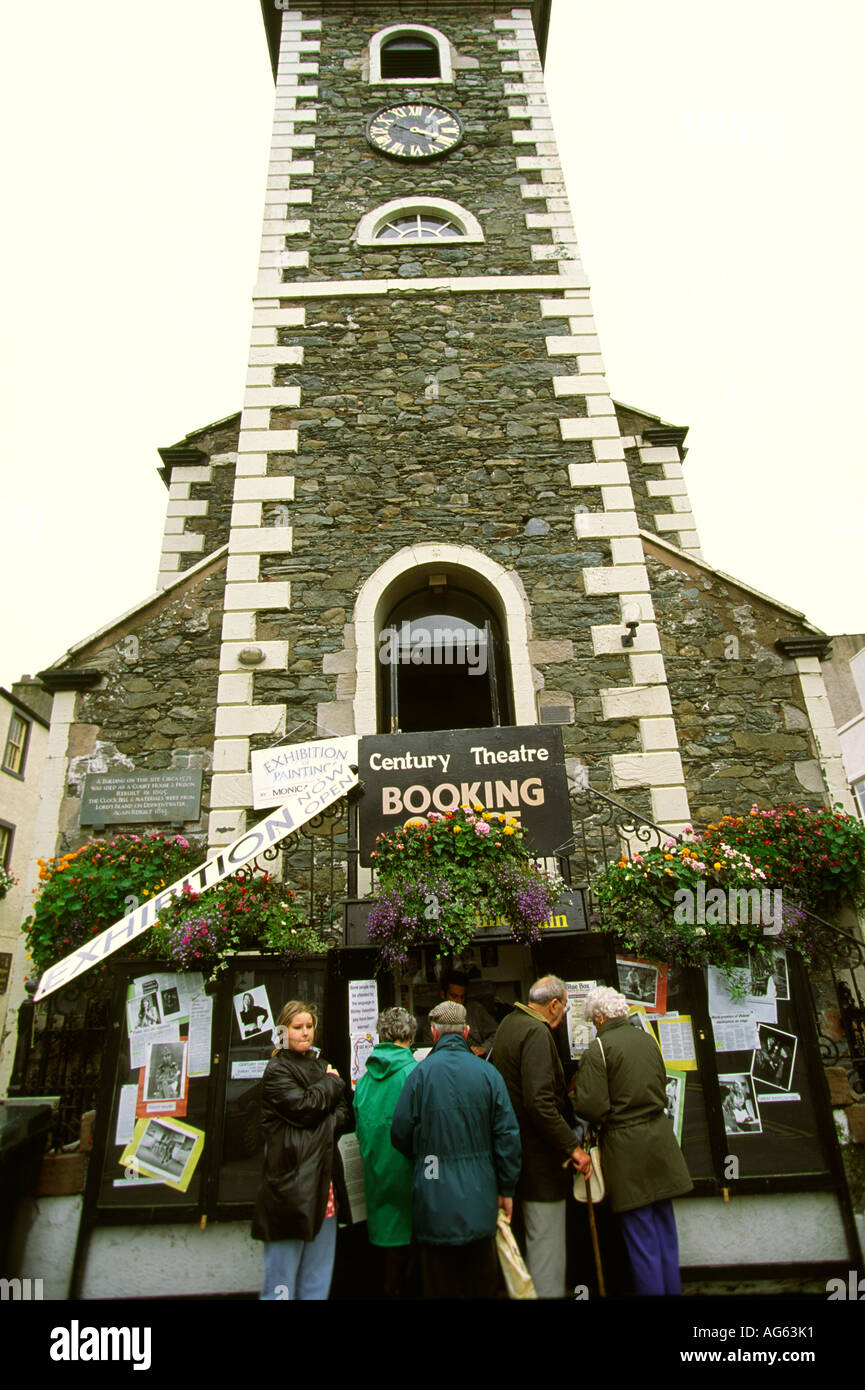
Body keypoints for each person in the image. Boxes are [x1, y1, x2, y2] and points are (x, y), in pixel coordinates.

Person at [391, 1000, 521, 1299]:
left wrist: (427, 1158)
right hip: (481, 1201)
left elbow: (400, 1132)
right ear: (465, 1031)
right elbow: (508, 1136)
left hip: (433, 1201)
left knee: (439, 1286)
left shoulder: (419, 1076)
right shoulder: (488, 1074)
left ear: (434, 1034)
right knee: (480, 1285)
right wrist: (507, 1188)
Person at [572, 986, 693, 1296]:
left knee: (641, 1238)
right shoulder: (646, 1039)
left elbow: (592, 1106)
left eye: (592, 1020)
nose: (593, 1025)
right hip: (660, 1140)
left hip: (627, 1147)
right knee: (665, 1230)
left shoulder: (599, 1049)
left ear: (599, 1017)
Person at [490, 974, 592, 1298]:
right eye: (562, 1011)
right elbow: (540, 1103)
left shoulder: (509, 1023)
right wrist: (573, 1148)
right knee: (546, 1249)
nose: (561, 1020)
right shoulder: (536, 1031)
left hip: (515, 1158)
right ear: (553, 1005)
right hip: (540, 1163)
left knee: (529, 1247)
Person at [252, 1000, 350, 1300]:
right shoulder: (276, 1071)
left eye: (309, 1027)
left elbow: (343, 1112)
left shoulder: (320, 1065)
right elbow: (306, 1108)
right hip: (290, 1193)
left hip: (325, 1190)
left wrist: (319, 1120)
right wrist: (332, 1083)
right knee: (280, 1287)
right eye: (298, 1028)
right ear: (284, 1031)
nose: (305, 1033)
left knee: (317, 1283)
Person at [354, 1006, 418, 1298]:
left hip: (377, 1178)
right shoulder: (414, 1073)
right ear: (410, 1034)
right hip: (412, 1183)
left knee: (388, 1263)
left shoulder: (364, 1080)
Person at [419, 970, 498, 1057]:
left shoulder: (476, 1010)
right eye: (454, 996)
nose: (459, 1001)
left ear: (466, 1031)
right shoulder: (434, 1016)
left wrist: (484, 1048)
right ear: (442, 994)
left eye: (462, 997)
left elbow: (497, 1034)